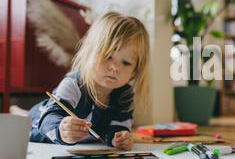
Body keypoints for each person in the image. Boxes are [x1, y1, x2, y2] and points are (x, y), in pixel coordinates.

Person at [10, 12, 150, 150]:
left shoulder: (125, 94)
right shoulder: (74, 83)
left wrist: (120, 138)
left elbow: (119, 126)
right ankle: (21, 113)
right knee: (27, 124)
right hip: (42, 124)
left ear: (135, 71)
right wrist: (62, 128)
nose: (114, 67)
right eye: (108, 56)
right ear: (90, 54)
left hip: (81, 137)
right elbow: (49, 118)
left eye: (126, 63)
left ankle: (22, 113)